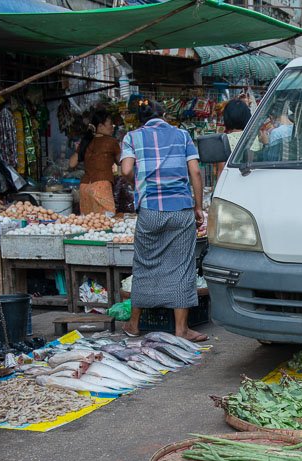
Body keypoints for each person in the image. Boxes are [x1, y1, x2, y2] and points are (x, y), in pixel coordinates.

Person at [119, 101, 208, 342]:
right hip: (181, 208)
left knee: (145, 264)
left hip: (150, 209)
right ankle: (181, 330)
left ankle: (134, 324)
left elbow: (126, 170)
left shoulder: (132, 137)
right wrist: (198, 207)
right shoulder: (182, 135)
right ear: (165, 115)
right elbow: (196, 172)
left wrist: (137, 183)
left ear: (141, 119)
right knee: (182, 266)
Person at [70, 110, 120, 214]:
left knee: (89, 223)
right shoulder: (111, 142)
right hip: (101, 186)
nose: (113, 127)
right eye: (110, 124)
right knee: (107, 222)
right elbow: (121, 162)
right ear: (101, 126)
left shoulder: (87, 142)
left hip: (84, 187)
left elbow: (71, 163)